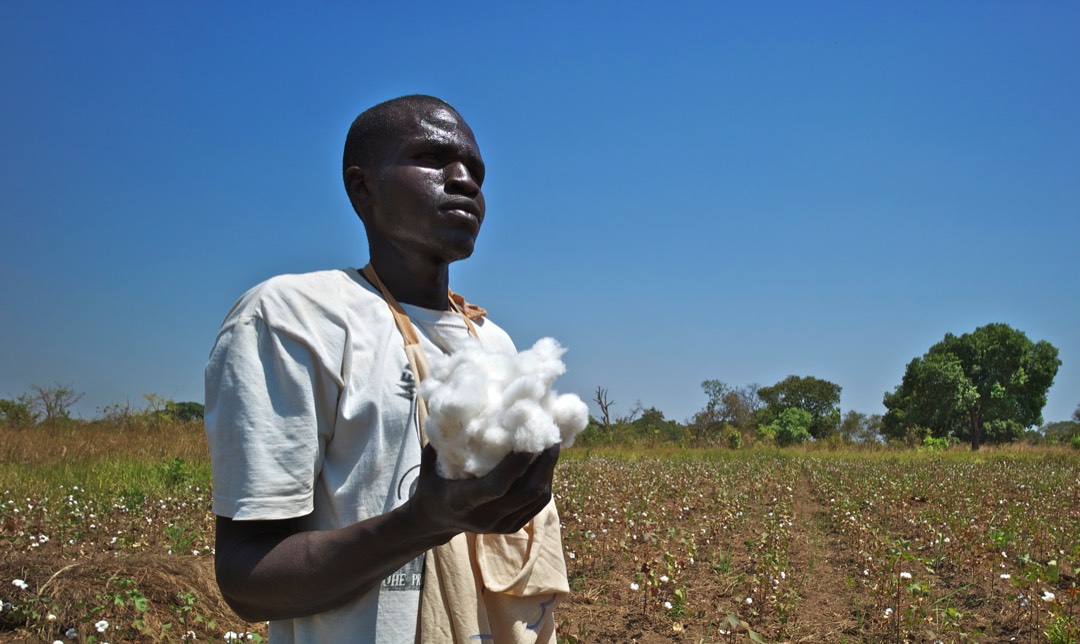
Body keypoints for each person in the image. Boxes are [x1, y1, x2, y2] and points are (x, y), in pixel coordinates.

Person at [205, 95, 565, 643]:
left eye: (476, 171)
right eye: (432, 158)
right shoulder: (296, 317)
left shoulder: (494, 343)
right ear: (362, 187)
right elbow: (247, 580)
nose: (464, 179)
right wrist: (424, 523)